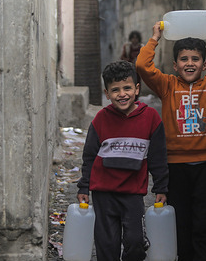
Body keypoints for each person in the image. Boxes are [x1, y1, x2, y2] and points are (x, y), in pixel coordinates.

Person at [135, 8, 206, 261]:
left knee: (204, 227)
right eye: (184, 59)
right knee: (181, 227)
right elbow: (142, 65)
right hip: (176, 170)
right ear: (175, 65)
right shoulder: (167, 86)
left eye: (195, 59)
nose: (189, 63)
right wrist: (155, 38)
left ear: (204, 64)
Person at [77, 61, 169, 261]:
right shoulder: (101, 119)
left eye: (127, 88)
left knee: (136, 242)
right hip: (103, 194)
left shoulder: (151, 118)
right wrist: (84, 187)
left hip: (133, 194)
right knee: (106, 246)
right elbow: (89, 156)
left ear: (137, 89)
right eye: (115, 90)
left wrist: (161, 187)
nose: (122, 94)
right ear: (107, 93)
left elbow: (158, 156)